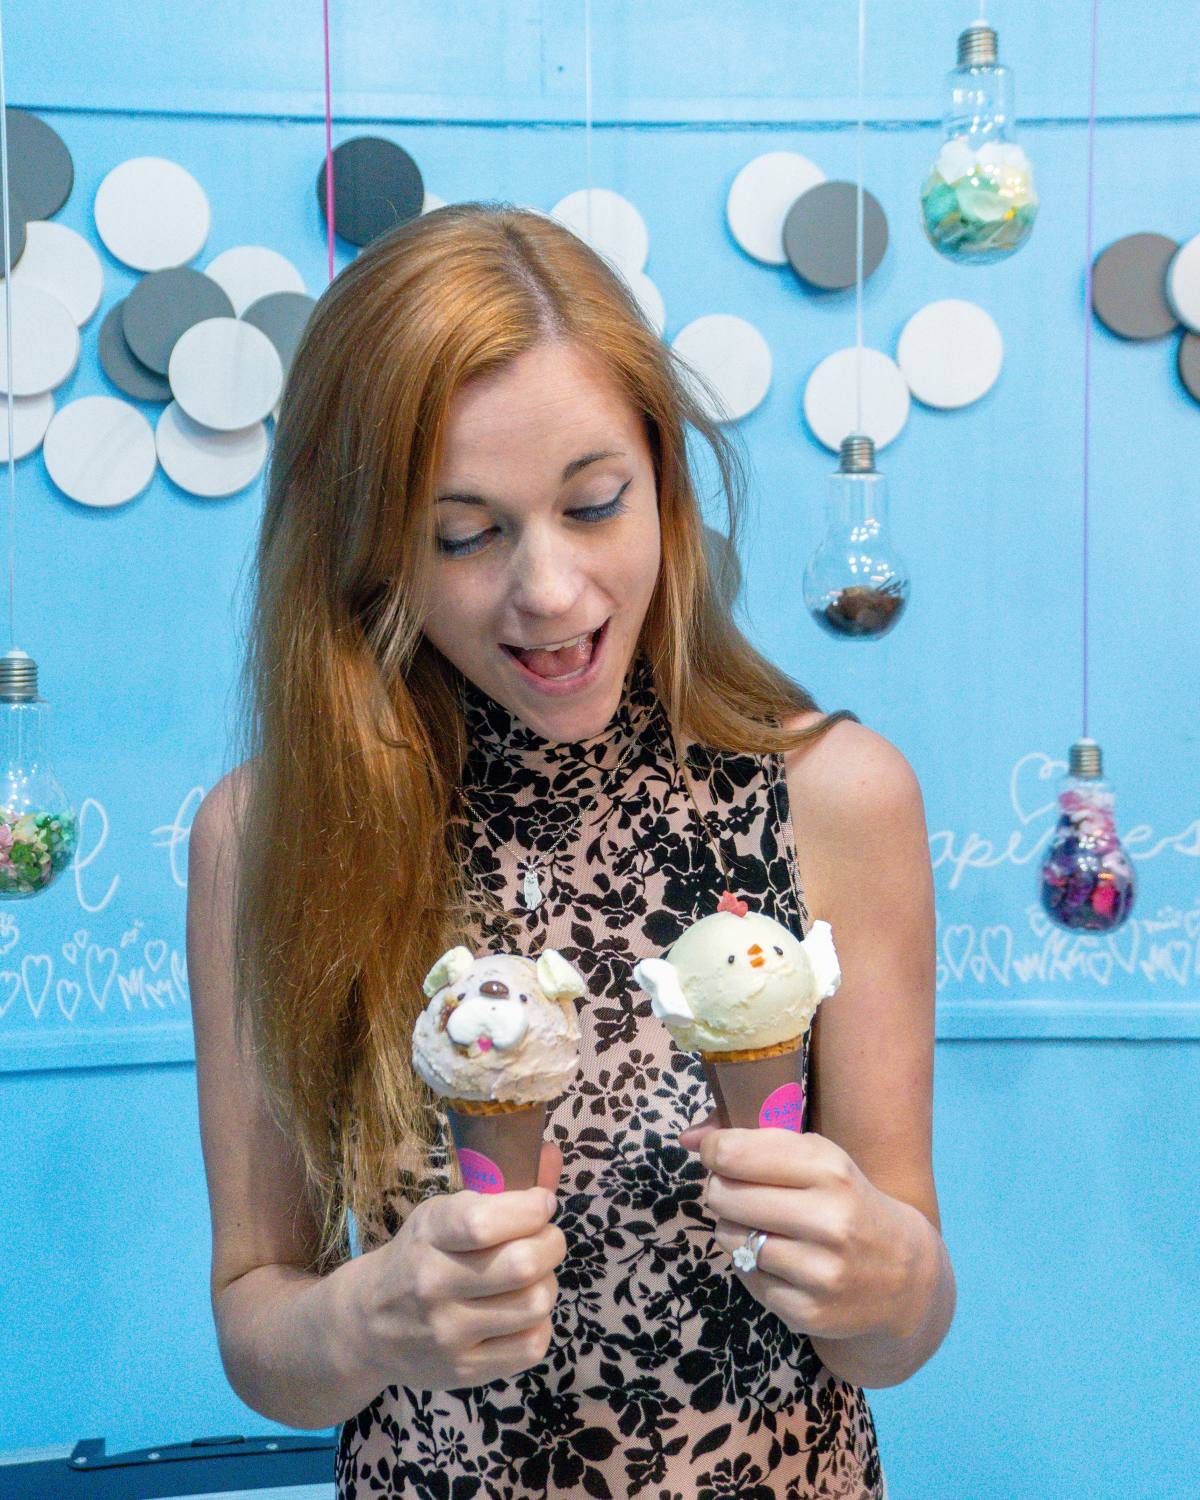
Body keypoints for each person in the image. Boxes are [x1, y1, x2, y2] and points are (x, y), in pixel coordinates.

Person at [187, 201, 955, 1500]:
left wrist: (889, 1277)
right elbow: (260, 1326)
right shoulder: (266, 836)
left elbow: (903, 1322)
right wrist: (363, 1320)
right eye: (465, 533)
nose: (548, 590)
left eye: (595, 503)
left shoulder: (836, 797)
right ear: (365, 549)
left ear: (663, 480)